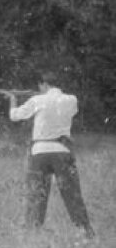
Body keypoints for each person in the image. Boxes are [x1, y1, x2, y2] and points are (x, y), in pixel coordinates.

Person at [6, 71, 94, 238]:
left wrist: (12, 100)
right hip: (62, 151)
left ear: (43, 84)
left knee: (36, 194)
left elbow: (14, 116)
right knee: (72, 194)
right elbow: (68, 111)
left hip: (39, 153)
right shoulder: (71, 99)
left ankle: (32, 232)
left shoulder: (37, 100)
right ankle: (85, 230)